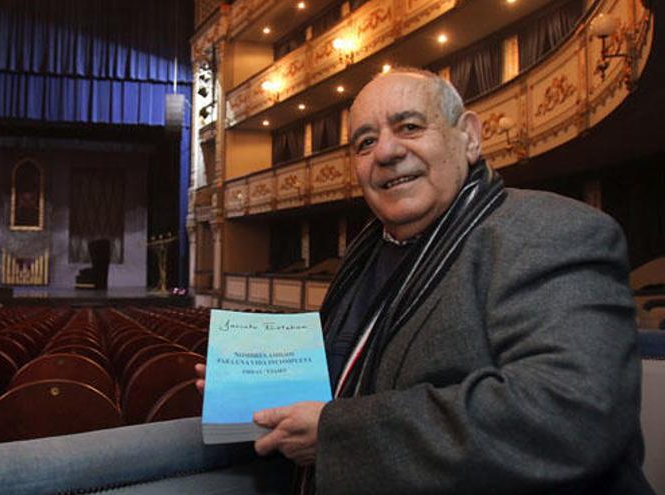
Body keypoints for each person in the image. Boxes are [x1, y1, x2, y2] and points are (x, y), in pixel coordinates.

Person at [196, 68, 652, 494]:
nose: (387, 152)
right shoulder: (369, 251)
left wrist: (336, 435)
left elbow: (569, 414)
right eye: (365, 142)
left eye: (410, 127)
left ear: (469, 137)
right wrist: (245, 384)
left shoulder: (547, 230)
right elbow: (351, 375)